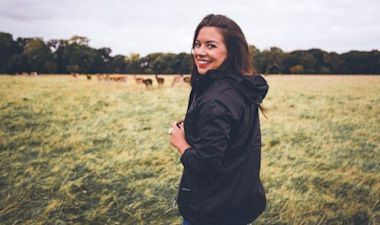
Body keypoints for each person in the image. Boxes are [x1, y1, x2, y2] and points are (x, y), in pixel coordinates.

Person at [169, 14, 268, 225]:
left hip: (212, 210)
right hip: (237, 200)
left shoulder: (218, 101)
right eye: (197, 44)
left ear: (231, 51)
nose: (200, 52)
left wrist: (181, 144)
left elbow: (205, 164)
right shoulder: (239, 86)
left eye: (211, 45)